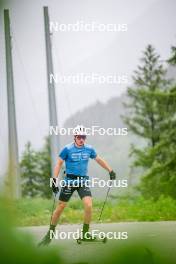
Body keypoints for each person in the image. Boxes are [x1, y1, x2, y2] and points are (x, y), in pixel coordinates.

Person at [38, 125, 116, 246]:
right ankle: (50, 234)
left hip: (82, 181)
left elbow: (98, 159)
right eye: (79, 137)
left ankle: (85, 234)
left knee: (89, 205)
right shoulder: (67, 149)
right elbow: (58, 163)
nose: (82, 139)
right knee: (60, 207)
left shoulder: (89, 149)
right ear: (75, 137)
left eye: (84, 137)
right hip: (69, 181)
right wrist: (54, 180)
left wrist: (110, 170)